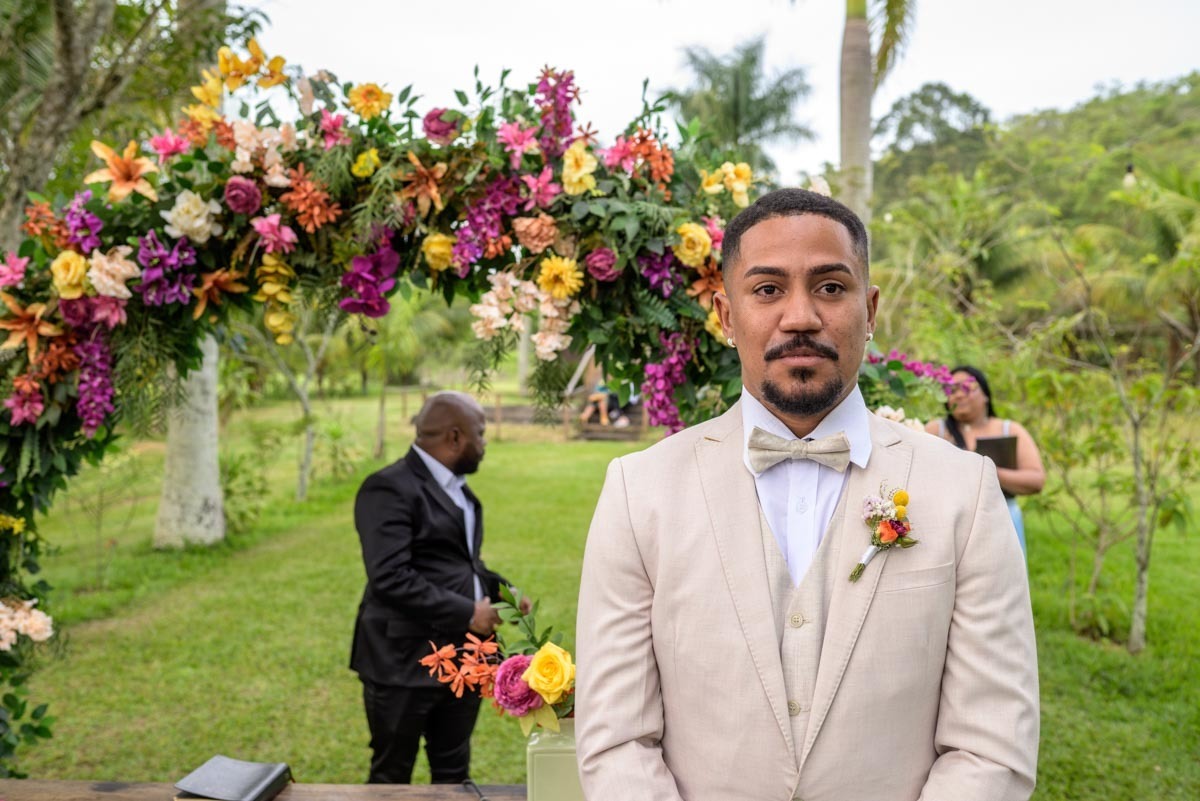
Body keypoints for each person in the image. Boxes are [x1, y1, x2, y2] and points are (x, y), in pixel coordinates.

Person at [575, 189, 1039, 801]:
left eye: (830, 287)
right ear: (726, 316)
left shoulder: (965, 492)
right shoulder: (639, 491)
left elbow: (992, 742)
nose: (800, 316)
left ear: (869, 310)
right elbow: (616, 740)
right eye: (768, 289)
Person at [350, 391, 528, 784]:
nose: (485, 444)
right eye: (480, 434)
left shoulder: (459, 490)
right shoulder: (388, 488)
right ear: (455, 437)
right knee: (391, 776)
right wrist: (469, 613)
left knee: (453, 772)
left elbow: (461, 562)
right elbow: (389, 576)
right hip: (402, 662)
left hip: (463, 660)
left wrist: (505, 591)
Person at [925, 366, 1046, 554]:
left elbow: (1036, 480)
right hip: (948, 525)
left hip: (1001, 522)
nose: (959, 395)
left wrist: (988, 471)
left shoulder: (1009, 430)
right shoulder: (935, 431)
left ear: (985, 395)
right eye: (952, 390)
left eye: (966, 388)